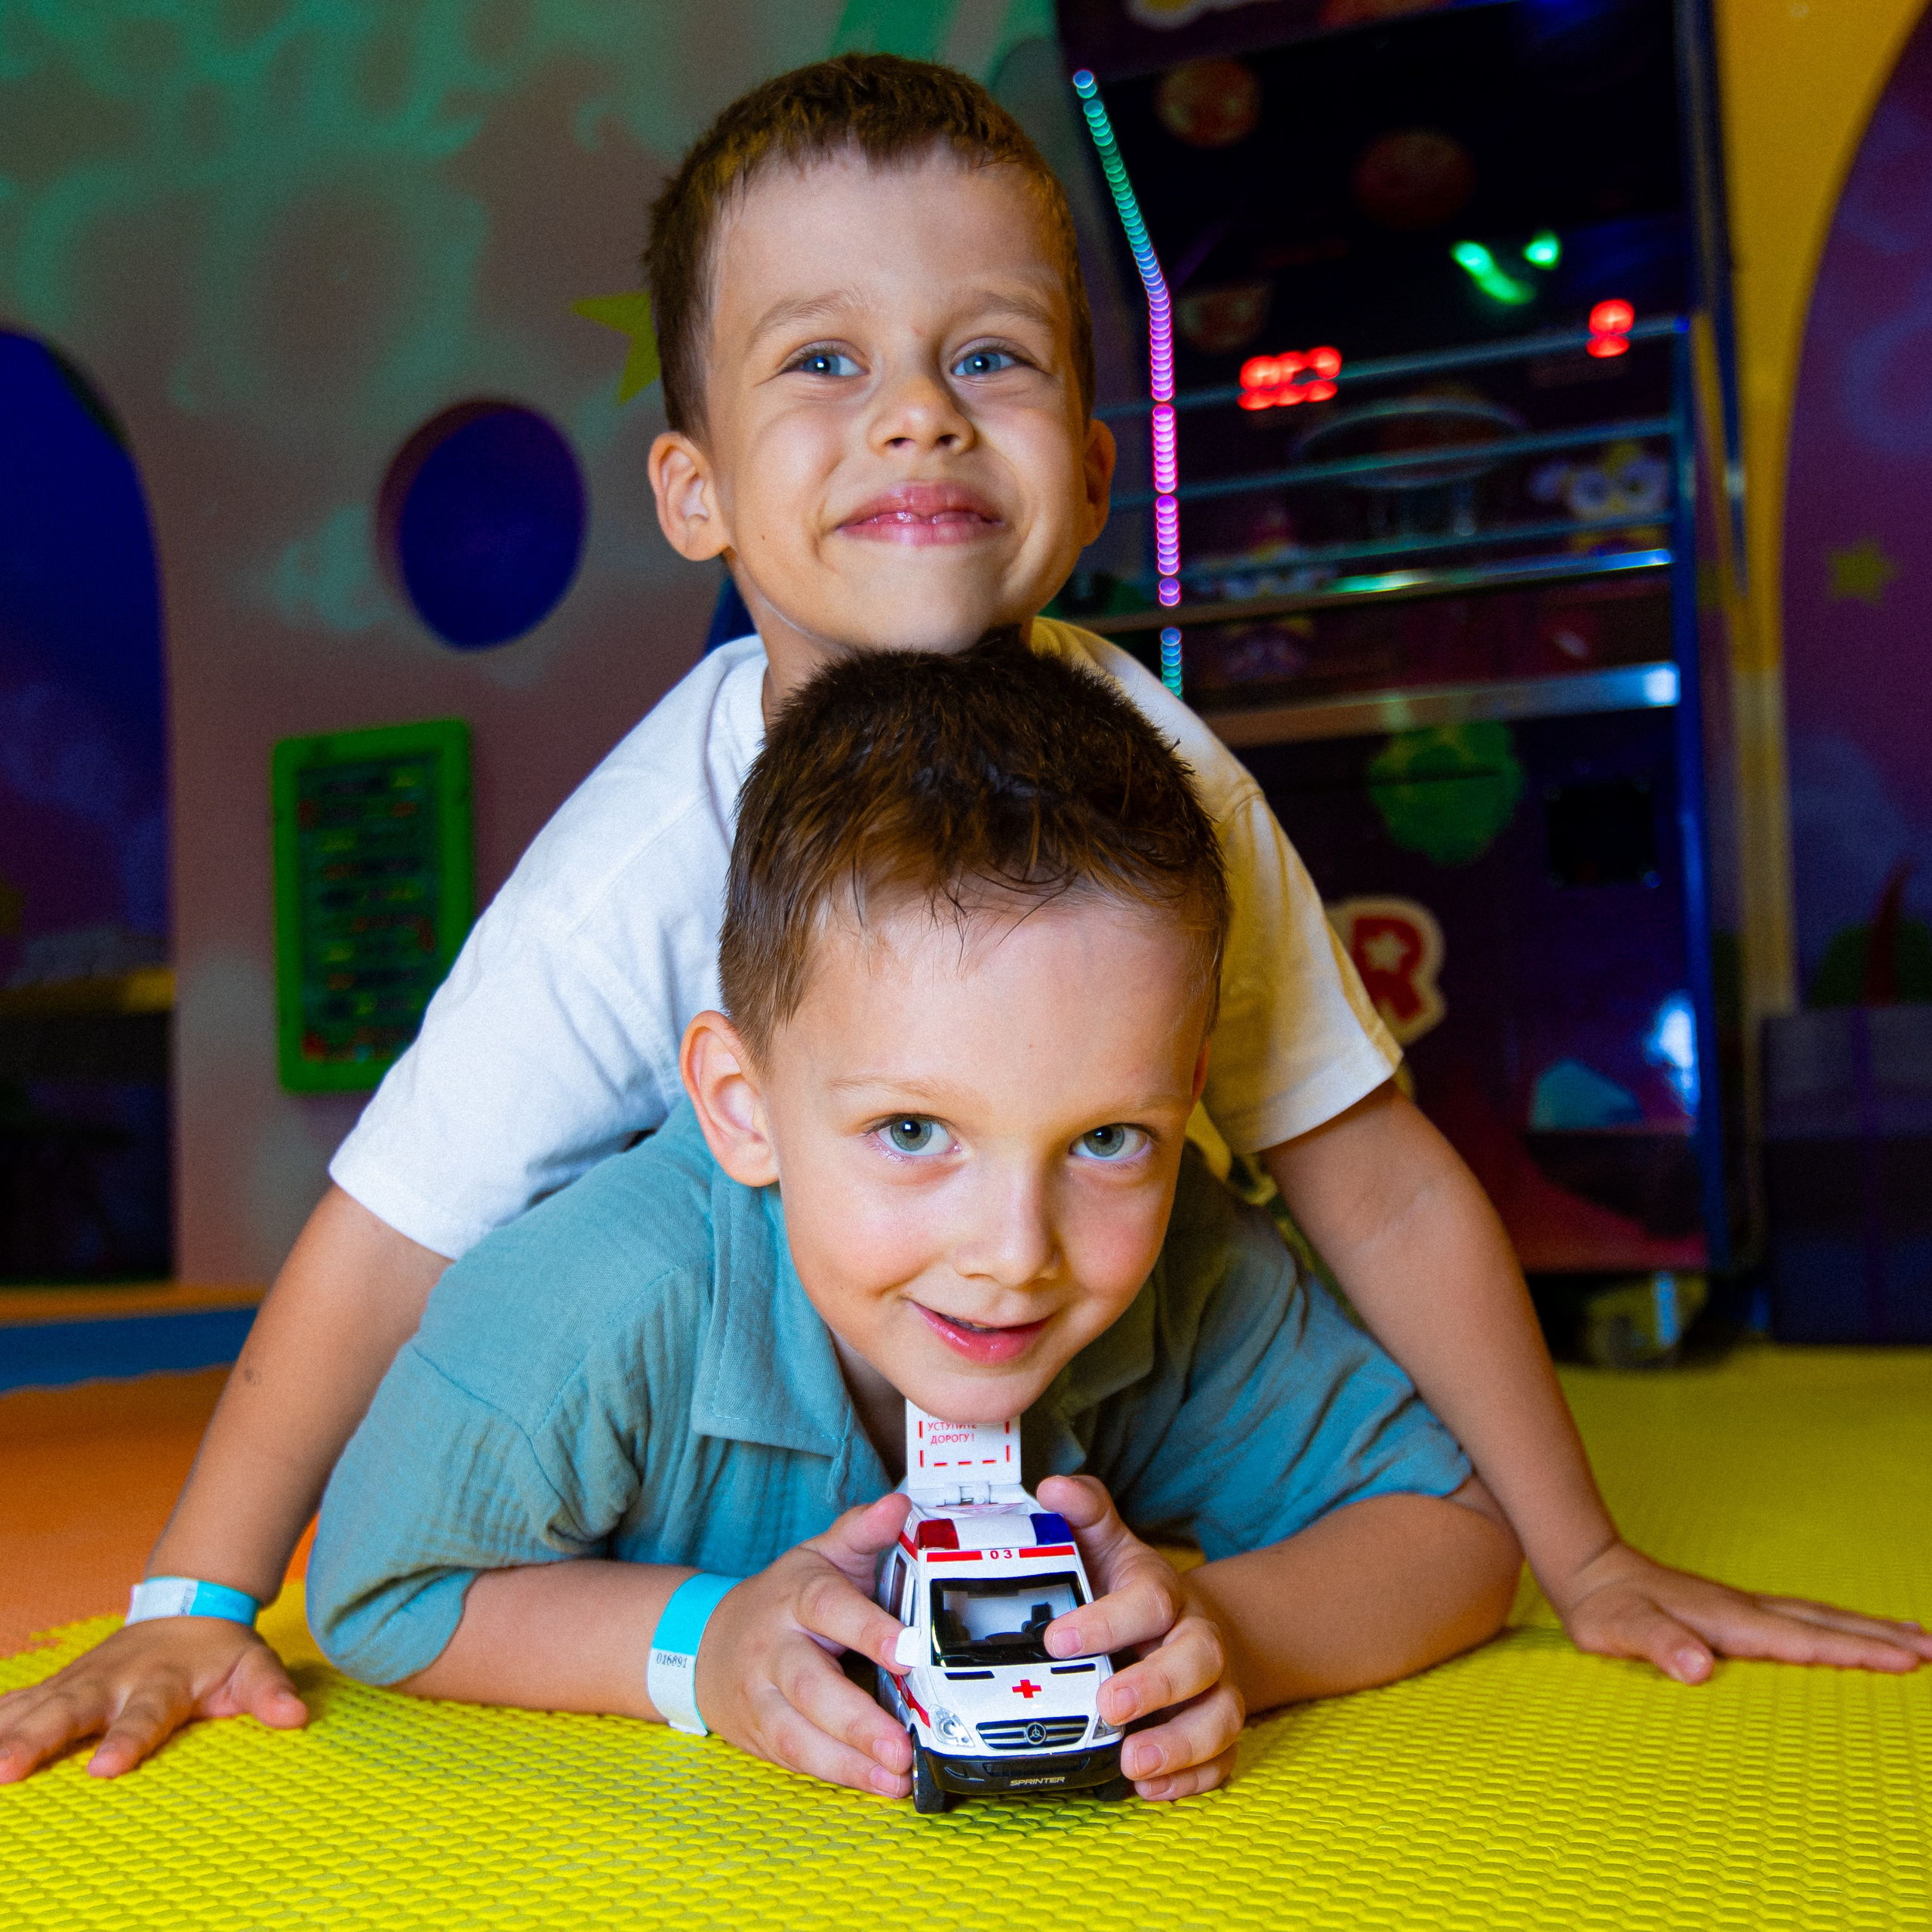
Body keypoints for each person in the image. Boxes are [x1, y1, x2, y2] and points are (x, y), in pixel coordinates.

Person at [2, 51, 1922, 1787]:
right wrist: (192, 1590)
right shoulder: (627, 880)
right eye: (823, 361)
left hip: (1038, 1378)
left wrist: (1576, 1554)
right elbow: (387, 1228)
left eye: (987, 355)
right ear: (694, 491)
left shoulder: (1170, 797)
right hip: (685, 1386)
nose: (917, 418)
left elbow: (1373, 1168)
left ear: (1090, 477)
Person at [305, 642, 1524, 1802]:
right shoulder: (600, 1298)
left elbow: (1457, 1535)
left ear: (1185, 1097)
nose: (1014, 1254)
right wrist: (698, 1646)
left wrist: (1228, 1636)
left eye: (1107, 1139)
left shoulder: (1186, 1266)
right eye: (912, 1132)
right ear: (744, 1110)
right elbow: (379, 1588)